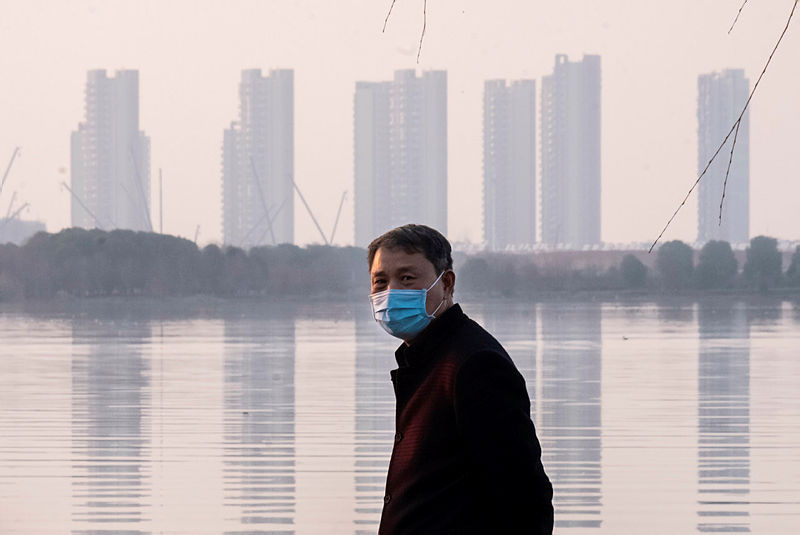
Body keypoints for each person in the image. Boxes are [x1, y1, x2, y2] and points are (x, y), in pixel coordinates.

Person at [367, 224, 553, 535]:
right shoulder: (423, 360)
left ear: (447, 283)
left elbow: (523, 494)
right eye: (380, 281)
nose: (391, 292)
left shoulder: (474, 363)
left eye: (407, 278)